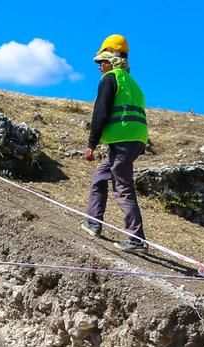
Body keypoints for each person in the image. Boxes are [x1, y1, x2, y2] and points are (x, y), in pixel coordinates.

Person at [81, 34, 149, 251]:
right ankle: (93, 222)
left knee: (122, 188)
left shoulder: (110, 79)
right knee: (101, 177)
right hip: (134, 141)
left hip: (122, 142)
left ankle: (136, 239)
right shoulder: (133, 83)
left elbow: (100, 113)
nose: (100, 65)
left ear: (113, 60)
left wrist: (92, 143)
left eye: (102, 60)